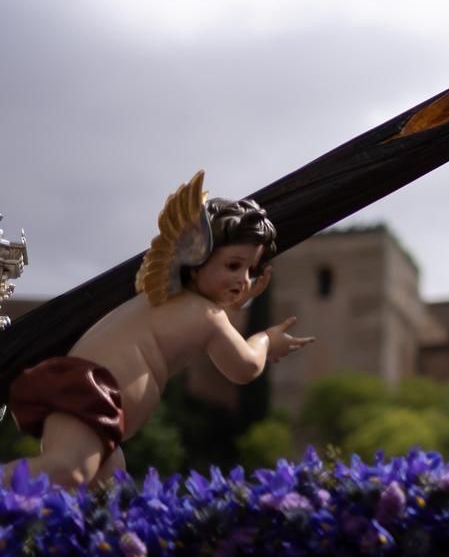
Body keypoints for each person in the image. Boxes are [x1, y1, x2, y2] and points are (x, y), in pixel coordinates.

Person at [4, 171, 312, 487]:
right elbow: (244, 367)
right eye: (233, 265)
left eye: (250, 269)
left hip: (95, 404)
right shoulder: (206, 315)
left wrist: (229, 306)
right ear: (196, 260)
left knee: (106, 484)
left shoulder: (173, 302)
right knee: (68, 471)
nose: (243, 279)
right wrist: (264, 340)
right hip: (91, 394)